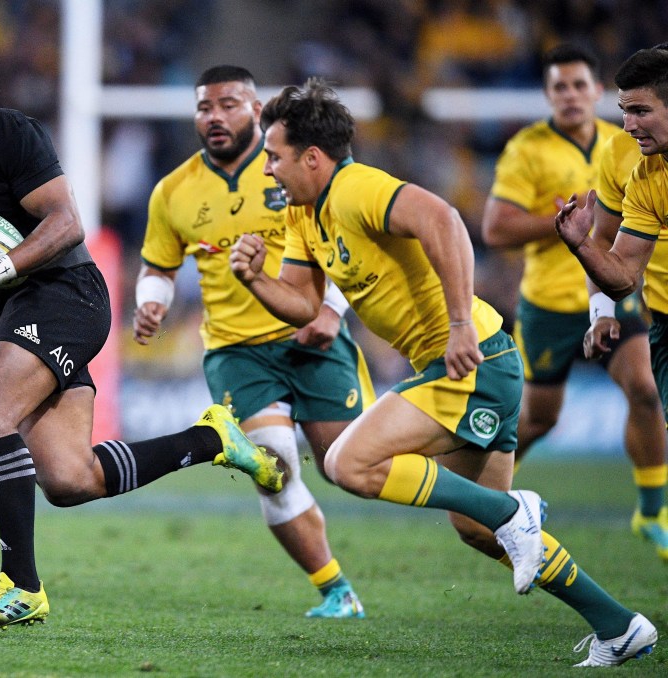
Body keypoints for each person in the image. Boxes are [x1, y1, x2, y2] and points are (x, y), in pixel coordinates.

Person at [230, 79, 657, 667]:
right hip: (483, 362)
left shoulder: (356, 187)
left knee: (347, 463)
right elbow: (304, 305)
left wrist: (459, 322)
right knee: (478, 528)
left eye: (274, 156)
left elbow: (446, 220)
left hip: (471, 357)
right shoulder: (308, 214)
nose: (268, 169)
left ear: (312, 157)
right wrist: (255, 279)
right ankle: (619, 625)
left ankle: (514, 510)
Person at [0, 42, 281, 631]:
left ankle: (19, 586)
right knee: (70, 479)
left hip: (67, 294)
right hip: (10, 312)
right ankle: (210, 440)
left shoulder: (9, 134)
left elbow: (67, 223)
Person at [134, 65, 372, 619]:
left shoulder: (300, 169)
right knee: (274, 468)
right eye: (204, 107)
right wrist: (153, 302)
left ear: (257, 107)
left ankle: (482, 501)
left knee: (352, 465)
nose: (214, 117)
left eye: (229, 104)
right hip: (236, 352)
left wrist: (333, 311)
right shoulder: (173, 191)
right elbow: (158, 266)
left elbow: (349, 242)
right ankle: (337, 590)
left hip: (311, 336)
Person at [480, 45, 666, 540]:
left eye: (579, 85)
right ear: (547, 95)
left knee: (644, 389)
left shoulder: (629, 143)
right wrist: (565, 228)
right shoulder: (531, 149)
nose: (570, 95)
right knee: (539, 418)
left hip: (627, 298)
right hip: (550, 301)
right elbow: (496, 231)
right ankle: (484, 499)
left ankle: (652, 510)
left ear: (595, 92)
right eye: (559, 87)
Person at [558, 46, 668, 563]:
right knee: (536, 418)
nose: (626, 125)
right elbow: (622, 270)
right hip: (662, 317)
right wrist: (582, 249)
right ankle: (651, 511)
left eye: (640, 111)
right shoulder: (637, 167)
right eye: (624, 111)